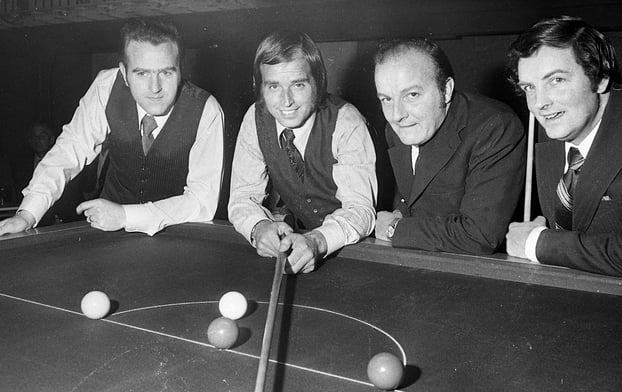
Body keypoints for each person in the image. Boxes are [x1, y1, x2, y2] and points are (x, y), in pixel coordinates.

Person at [0, 19, 224, 237]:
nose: (155, 88)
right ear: (124, 73)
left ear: (180, 70)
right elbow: (69, 150)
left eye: (166, 72)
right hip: (108, 232)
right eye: (142, 73)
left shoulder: (207, 110)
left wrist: (126, 215)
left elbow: (202, 200)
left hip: (176, 233)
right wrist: (27, 214)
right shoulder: (106, 86)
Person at [228, 31, 377, 274]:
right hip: (297, 243)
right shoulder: (254, 118)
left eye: (298, 85)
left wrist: (318, 241)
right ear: (260, 88)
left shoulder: (347, 121)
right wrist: (258, 226)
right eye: (273, 86)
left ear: (318, 83)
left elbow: (361, 210)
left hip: (351, 248)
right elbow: (243, 195)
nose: (286, 101)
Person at [505, 16, 622, 278]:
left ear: (600, 77)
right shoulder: (558, 123)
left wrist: (537, 243)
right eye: (529, 87)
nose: (539, 103)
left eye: (556, 80)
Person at [373, 38, 526, 254]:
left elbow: (479, 235)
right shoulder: (399, 128)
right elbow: (412, 199)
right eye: (386, 99)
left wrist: (394, 228)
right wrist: (400, 213)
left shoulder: (496, 127)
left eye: (412, 95)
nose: (397, 115)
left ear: (446, 90)